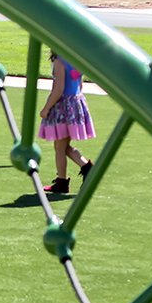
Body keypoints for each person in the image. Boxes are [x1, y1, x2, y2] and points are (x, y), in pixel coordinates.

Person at [38, 53, 95, 196]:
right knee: (63, 146)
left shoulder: (60, 62)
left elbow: (58, 90)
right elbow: (79, 85)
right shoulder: (77, 59)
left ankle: (82, 170)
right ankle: (64, 179)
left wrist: (46, 108)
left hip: (63, 107)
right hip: (76, 104)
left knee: (59, 147)